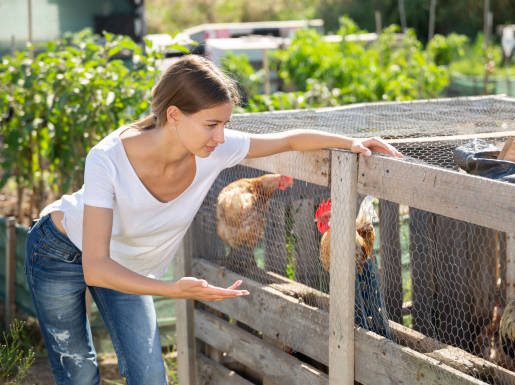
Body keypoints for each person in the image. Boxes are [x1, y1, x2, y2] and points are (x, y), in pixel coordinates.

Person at [25, 54, 402, 385]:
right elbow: (96, 268)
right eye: (211, 124)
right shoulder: (107, 158)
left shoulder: (213, 150)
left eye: (225, 124)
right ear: (174, 115)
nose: (221, 136)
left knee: (151, 376)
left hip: (125, 268)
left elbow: (286, 140)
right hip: (60, 252)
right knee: (79, 372)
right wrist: (175, 290)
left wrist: (350, 143)